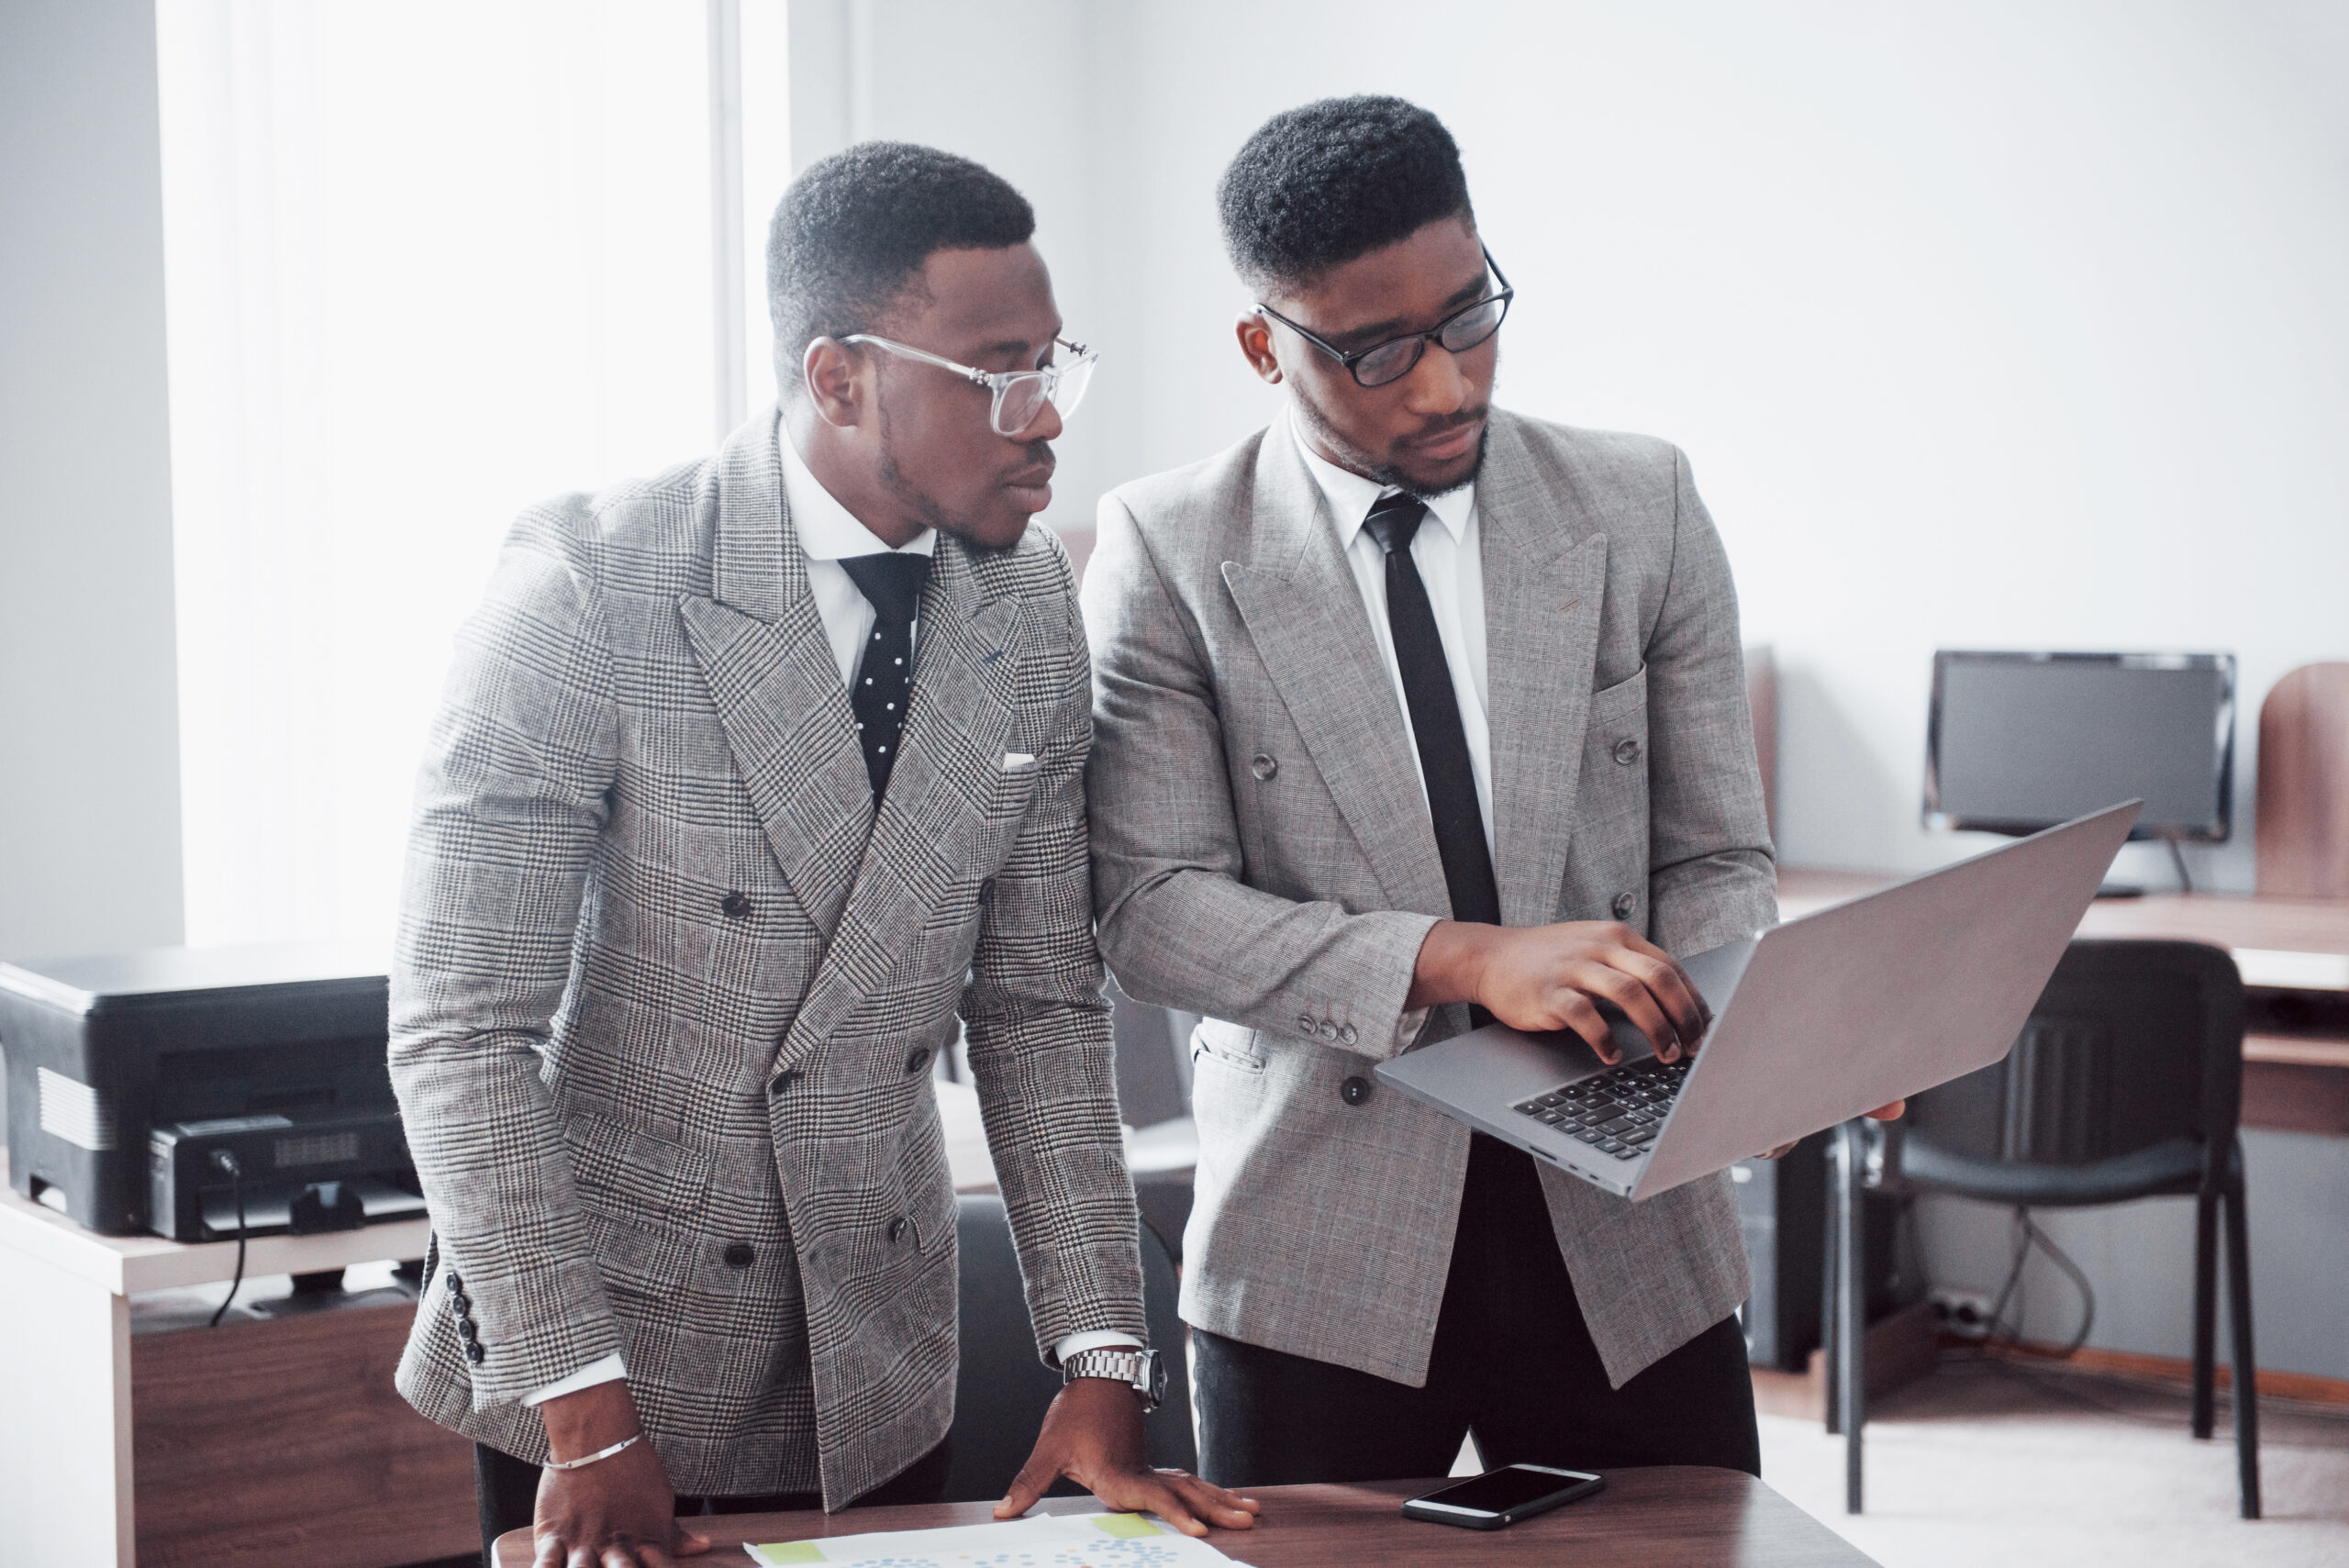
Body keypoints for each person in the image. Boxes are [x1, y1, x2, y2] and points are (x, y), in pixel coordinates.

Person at [390, 141, 1255, 1568]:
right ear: (841, 378)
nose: (1046, 418)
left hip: (878, 1345)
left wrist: (1105, 1357)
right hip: (607, 1360)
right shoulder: (588, 584)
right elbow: (460, 1036)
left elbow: (1037, 1005)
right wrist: (586, 1416)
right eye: (998, 375)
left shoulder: (1029, 602)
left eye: (1055, 365)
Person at [1082, 96, 1901, 1487]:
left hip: (1630, 1225)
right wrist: (1466, 959)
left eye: (1469, 316)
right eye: (1378, 351)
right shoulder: (1165, 549)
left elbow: (1713, 851)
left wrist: (1757, 1034)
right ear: (1264, 345)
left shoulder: (1641, 503)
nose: (1446, 386)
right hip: (1320, 1241)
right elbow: (1153, 912)